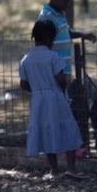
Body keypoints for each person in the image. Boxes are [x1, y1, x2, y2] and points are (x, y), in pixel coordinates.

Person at [20, 20, 88, 180]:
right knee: (67, 128)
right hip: (55, 97)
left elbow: (23, 84)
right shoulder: (54, 57)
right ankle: (71, 168)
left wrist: (37, 90)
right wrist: (60, 89)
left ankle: (54, 170)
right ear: (51, 38)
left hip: (38, 100)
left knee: (45, 130)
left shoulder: (26, 59)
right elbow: (61, 79)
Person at [37, 0, 97, 155]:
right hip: (54, 73)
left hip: (65, 70)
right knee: (56, 111)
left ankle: (66, 147)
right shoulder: (46, 16)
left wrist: (82, 34)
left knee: (64, 109)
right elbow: (42, 45)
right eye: (65, 0)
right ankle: (55, 147)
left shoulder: (60, 14)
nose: (67, 4)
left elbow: (66, 32)